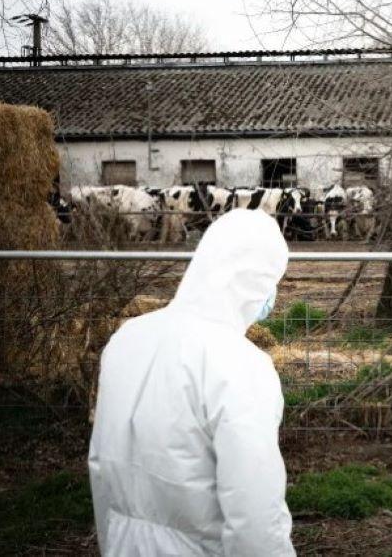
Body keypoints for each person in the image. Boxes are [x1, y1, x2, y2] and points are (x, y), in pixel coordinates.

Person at [88, 209, 295, 556]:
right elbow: (254, 510)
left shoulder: (127, 338)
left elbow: (101, 463)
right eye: (272, 282)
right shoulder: (240, 365)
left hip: (122, 544)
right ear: (254, 282)